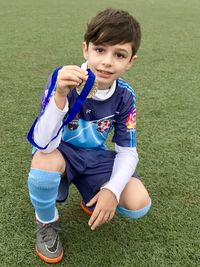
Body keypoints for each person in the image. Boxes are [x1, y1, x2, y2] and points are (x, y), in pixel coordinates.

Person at [27, 8, 151, 264]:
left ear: (131, 61)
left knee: (137, 202)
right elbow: (42, 141)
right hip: (59, 152)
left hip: (94, 156)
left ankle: (92, 195)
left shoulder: (125, 96)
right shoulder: (63, 79)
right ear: (86, 49)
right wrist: (59, 96)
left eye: (119, 55)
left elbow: (127, 150)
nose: (107, 61)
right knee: (43, 161)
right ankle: (46, 221)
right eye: (100, 50)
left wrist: (112, 190)